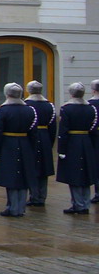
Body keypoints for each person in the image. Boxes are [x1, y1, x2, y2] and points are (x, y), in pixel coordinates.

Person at [0, 83, 38, 218]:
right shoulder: (30, 110)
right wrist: (32, 148)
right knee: (23, 177)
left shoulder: (3, 110)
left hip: (8, 144)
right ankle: (20, 207)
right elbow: (33, 133)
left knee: (11, 177)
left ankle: (12, 207)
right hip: (25, 144)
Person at [56, 83, 98, 214]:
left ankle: (78, 204)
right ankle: (85, 204)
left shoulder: (66, 108)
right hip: (86, 141)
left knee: (74, 174)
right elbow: (93, 128)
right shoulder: (91, 108)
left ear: (71, 93)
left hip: (72, 142)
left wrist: (61, 149)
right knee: (85, 174)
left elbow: (63, 130)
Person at [24, 80, 55, 207]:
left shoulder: (26, 105)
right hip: (45, 136)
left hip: (31, 137)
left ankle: (34, 196)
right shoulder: (49, 105)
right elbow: (53, 127)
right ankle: (42, 196)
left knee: (32, 167)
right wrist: (50, 142)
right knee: (44, 168)